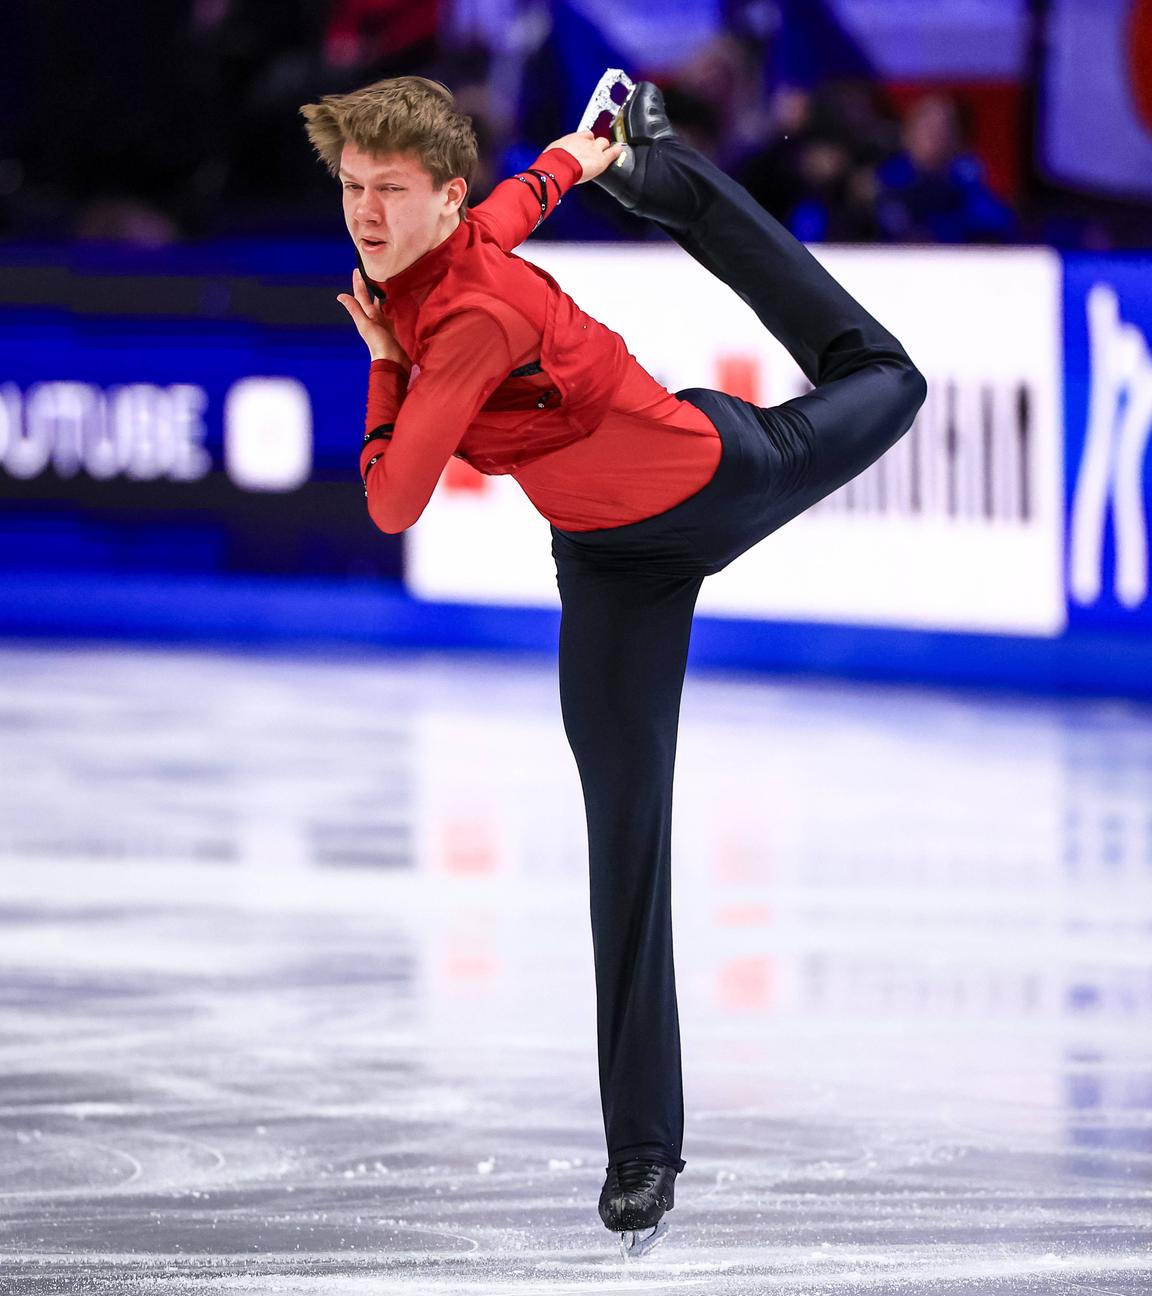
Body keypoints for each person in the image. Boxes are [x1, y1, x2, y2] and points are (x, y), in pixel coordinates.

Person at [299, 74, 927, 1257]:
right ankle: (643, 1157)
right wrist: (588, 159)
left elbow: (391, 500)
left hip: (722, 474)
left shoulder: (467, 316)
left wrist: (383, 360)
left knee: (893, 380)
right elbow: (530, 191)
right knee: (624, 843)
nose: (365, 215)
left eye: (389, 191)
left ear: (442, 197)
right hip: (608, 570)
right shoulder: (463, 236)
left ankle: (678, 180)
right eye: (350, 188)